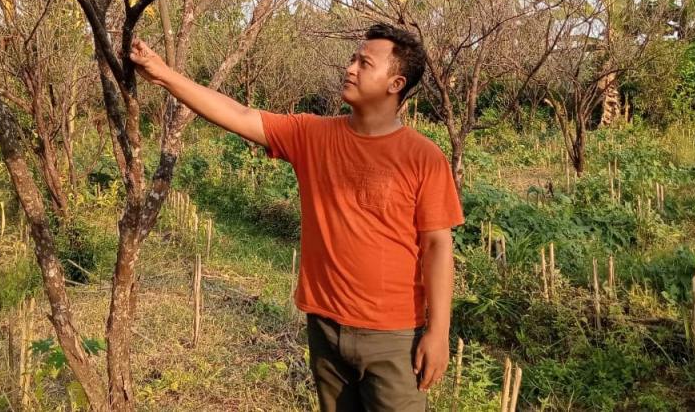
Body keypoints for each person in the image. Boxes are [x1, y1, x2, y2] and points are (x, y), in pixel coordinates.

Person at [130, 22, 464, 411]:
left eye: (364, 63)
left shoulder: (423, 158)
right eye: (353, 58)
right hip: (324, 326)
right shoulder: (312, 134)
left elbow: (438, 245)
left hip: (394, 336)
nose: (350, 68)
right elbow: (239, 114)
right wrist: (162, 74)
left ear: (395, 83)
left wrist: (438, 333)